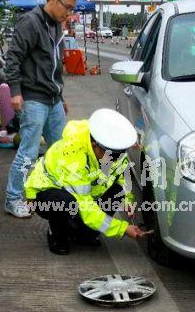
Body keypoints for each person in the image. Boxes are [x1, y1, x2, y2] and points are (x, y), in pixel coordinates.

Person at [25, 109, 148, 255]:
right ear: (94, 144)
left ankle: (84, 233)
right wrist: (122, 228)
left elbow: (120, 176)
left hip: (84, 195)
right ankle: (56, 234)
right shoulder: (73, 156)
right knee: (66, 203)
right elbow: (85, 206)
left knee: (118, 191)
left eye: (118, 155)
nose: (113, 159)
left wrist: (128, 202)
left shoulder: (114, 150)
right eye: (110, 156)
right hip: (46, 193)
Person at [4, 0, 79, 218]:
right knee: (28, 151)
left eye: (72, 9)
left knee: (60, 149)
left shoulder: (57, 25)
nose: (68, 13)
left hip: (53, 99)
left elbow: (55, 66)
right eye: (67, 7)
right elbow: (12, 58)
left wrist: (61, 94)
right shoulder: (30, 23)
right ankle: (13, 198)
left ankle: (51, 192)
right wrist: (15, 92)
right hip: (34, 99)